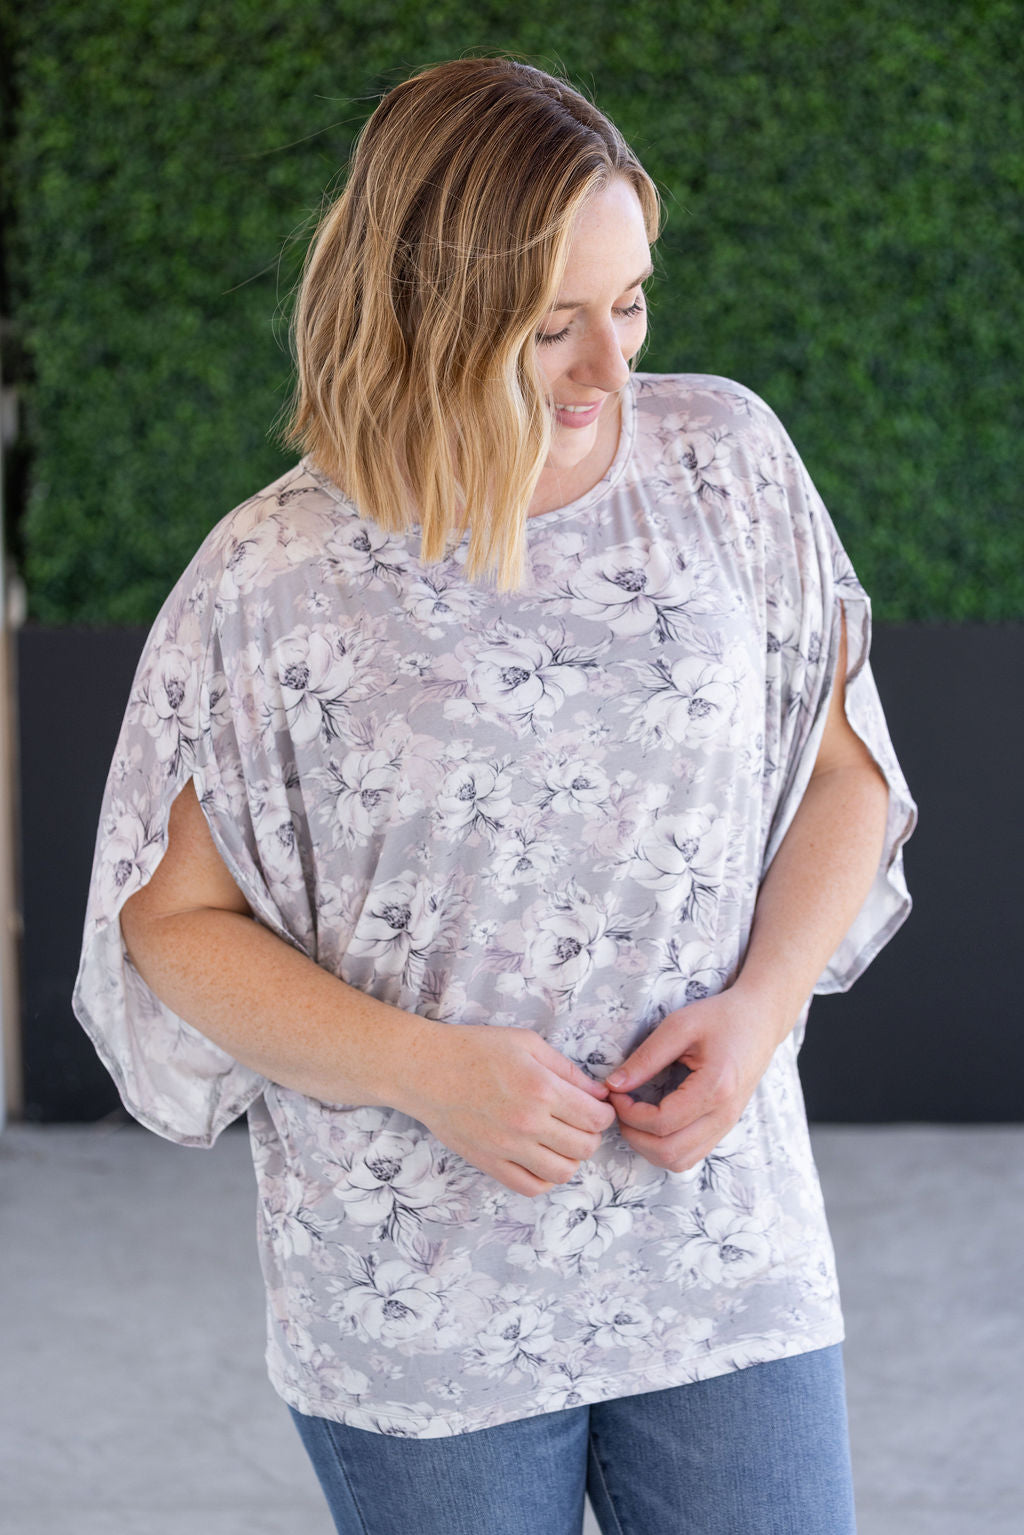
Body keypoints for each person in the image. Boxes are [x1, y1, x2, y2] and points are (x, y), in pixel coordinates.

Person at [74, 56, 916, 1535]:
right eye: (553, 326)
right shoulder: (273, 581)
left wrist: (765, 1005)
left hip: (716, 1245)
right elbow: (172, 925)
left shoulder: (727, 468)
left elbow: (845, 772)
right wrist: (426, 1068)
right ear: (429, 311)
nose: (613, 372)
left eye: (634, 302)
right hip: (420, 1298)